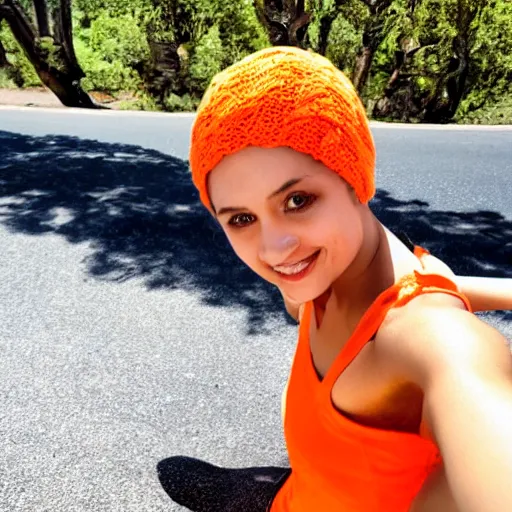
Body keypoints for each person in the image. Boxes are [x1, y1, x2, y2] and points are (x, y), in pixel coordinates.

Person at [158, 46, 512, 512]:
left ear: (353, 179)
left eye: (298, 200)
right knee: (177, 473)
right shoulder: (323, 274)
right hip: (300, 492)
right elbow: (439, 286)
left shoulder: (432, 340)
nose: (274, 249)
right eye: (242, 219)